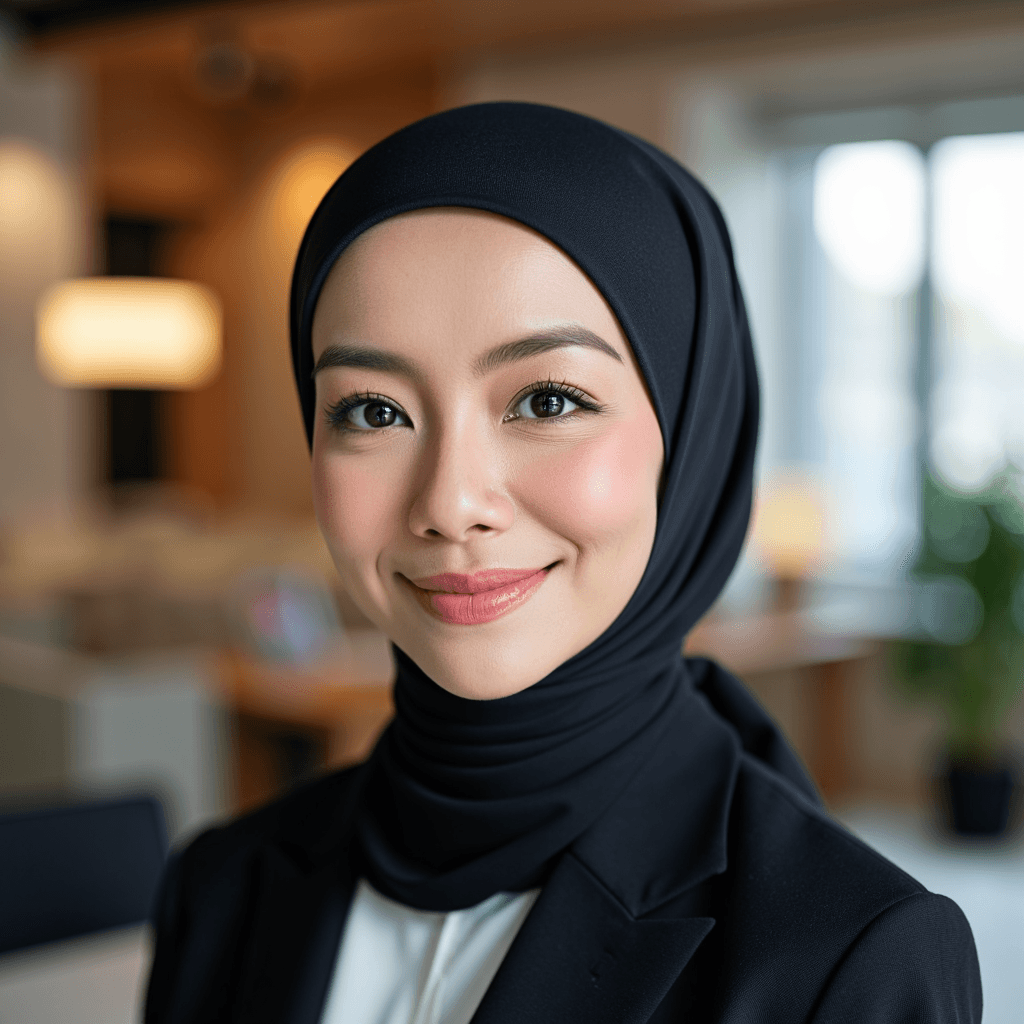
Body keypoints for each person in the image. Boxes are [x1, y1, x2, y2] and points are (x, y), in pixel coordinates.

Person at [144, 102, 982, 1024]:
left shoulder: (845, 959)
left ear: (691, 434)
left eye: (546, 399)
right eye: (374, 411)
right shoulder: (220, 887)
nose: (450, 503)